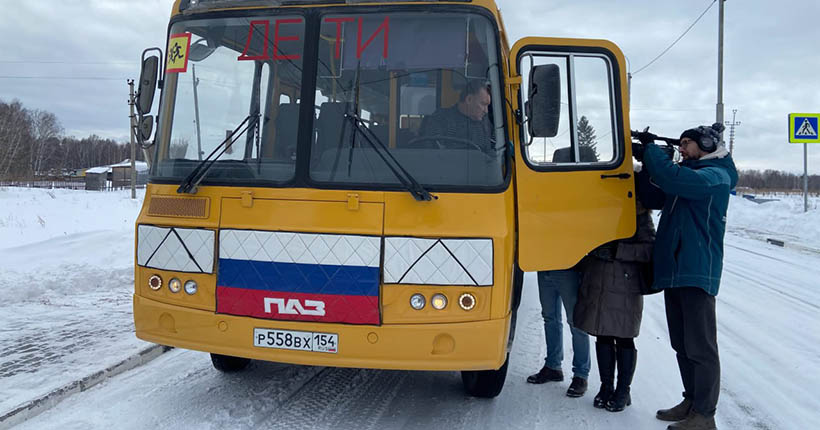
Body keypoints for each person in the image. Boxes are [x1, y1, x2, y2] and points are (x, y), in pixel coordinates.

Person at [633, 123, 738, 430]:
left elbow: (673, 178)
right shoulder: (692, 173)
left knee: (701, 347)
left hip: (695, 271)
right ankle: (691, 401)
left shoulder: (715, 176)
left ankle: (705, 415)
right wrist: (643, 162)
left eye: (687, 143)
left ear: (707, 144)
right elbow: (656, 194)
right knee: (682, 343)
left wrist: (653, 152)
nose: (682, 149)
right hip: (676, 270)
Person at [573, 199, 655, 412]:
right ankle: (606, 387)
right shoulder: (597, 209)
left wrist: (618, 250)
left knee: (625, 338)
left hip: (624, 285)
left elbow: (649, 249)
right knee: (603, 335)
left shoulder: (638, 213)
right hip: (598, 282)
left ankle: (623, 390)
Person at [526, 268, 591, 398]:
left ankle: (581, 375)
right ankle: (553, 366)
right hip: (544, 267)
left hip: (568, 268)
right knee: (550, 318)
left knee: (576, 322)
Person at [421, 80, 494, 151]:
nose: (486, 111)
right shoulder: (440, 119)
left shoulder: (486, 123)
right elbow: (432, 153)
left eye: (487, 106)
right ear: (469, 99)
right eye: (483, 104)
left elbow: (494, 150)